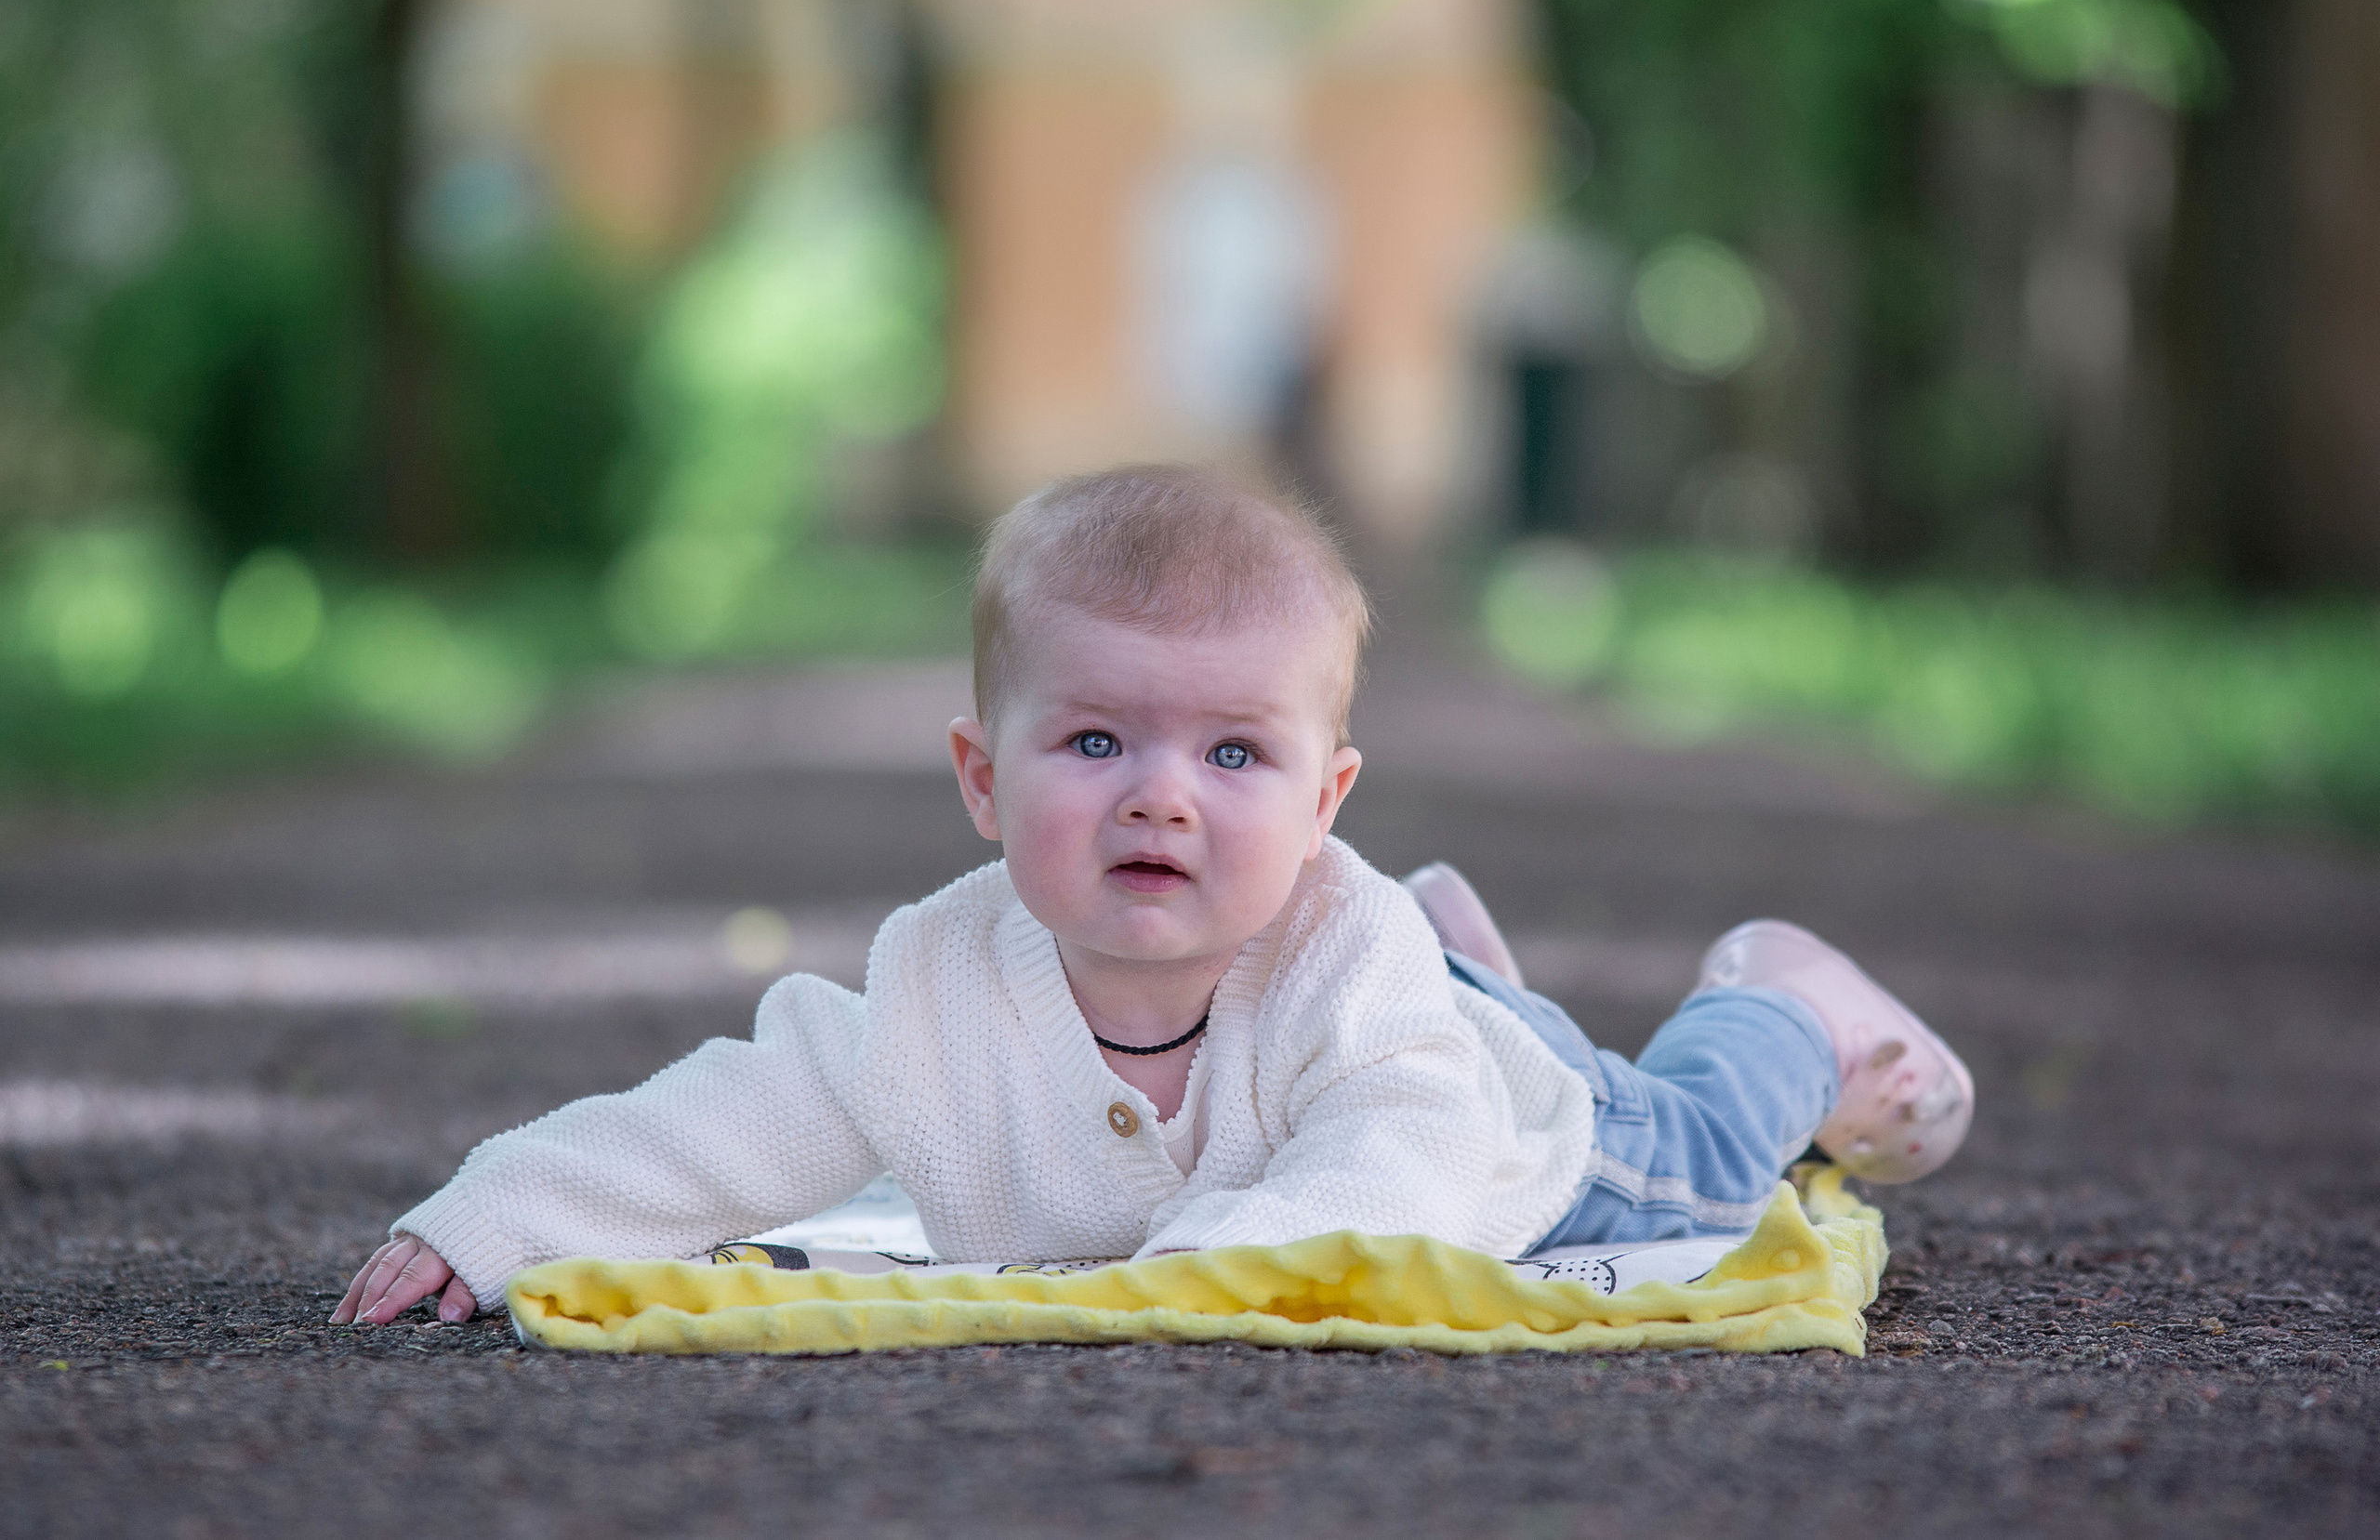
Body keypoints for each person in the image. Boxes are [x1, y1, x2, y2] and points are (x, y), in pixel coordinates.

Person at [333, 465, 1973, 1326]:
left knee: (1691, 1171)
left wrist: (1204, 1263)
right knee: (1430, 1028)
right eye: (1098, 739)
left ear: (1327, 803)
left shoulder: (1333, 957)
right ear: (984, 779)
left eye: (1235, 754)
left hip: (1491, 1110)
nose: (1161, 795)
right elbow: (731, 1120)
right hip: (1403, 1012)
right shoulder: (937, 987)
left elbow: (1398, 1167)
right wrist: (501, 1219)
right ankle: (1473, 973)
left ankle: (1786, 999)